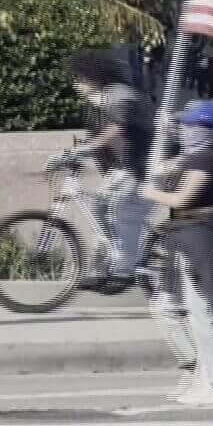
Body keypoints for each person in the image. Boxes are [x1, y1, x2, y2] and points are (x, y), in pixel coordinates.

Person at [140, 100, 213, 406]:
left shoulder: (207, 157)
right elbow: (166, 166)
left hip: (203, 236)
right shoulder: (189, 156)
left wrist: (150, 192)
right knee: (164, 305)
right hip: (181, 235)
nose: (182, 130)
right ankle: (195, 368)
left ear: (202, 129)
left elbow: (184, 197)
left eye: (187, 125)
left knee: (201, 312)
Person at [69, 50, 156, 288]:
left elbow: (117, 128)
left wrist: (86, 149)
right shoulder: (97, 101)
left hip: (142, 169)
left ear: (94, 76)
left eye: (80, 79)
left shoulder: (120, 95)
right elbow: (95, 137)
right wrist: (73, 154)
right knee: (97, 209)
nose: (76, 85)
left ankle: (125, 273)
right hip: (120, 171)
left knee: (123, 213)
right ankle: (102, 270)